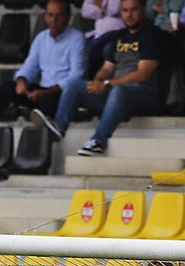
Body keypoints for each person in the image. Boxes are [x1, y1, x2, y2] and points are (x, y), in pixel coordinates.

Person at [53, 0, 171, 156]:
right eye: (125, 10)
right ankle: (57, 128)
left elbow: (143, 74)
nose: (129, 15)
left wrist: (108, 84)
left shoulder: (152, 35)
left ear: (143, 9)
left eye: (134, 10)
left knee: (119, 91)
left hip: (146, 94)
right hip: (116, 93)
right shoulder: (120, 36)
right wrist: (97, 81)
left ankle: (98, 142)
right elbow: (107, 68)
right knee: (74, 86)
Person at [0, 0, 85, 136]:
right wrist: (21, 81)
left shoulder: (77, 39)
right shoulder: (41, 38)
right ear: (45, 17)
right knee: (7, 88)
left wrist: (46, 92)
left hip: (62, 94)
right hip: (42, 91)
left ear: (68, 17)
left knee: (47, 102)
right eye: (50, 15)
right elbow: (29, 67)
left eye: (59, 15)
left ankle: (47, 132)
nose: (54, 20)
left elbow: (77, 76)